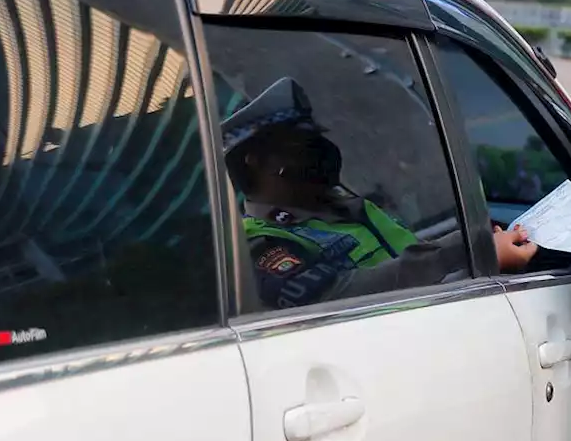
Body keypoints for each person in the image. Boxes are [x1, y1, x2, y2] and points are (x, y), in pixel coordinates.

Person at [221, 77, 537, 310]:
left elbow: (414, 263)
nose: (319, 153)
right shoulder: (258, 243)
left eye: (317, 140)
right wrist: (471, 250)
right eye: (301, 144)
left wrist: (484, 247)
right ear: (257, 161)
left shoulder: (350, 207)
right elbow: (336, 297)